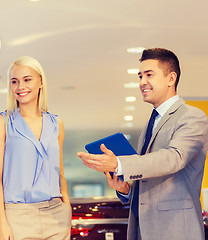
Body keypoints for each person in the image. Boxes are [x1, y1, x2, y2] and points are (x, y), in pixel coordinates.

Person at [77, 48, 208, 240]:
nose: (142, 82)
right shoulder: (150, 124)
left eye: (149, 75)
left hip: (176, 230)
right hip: (142, 230)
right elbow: (150, 180)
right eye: (140, 76)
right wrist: (127, 189)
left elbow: (174, 158)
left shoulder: (193, 117)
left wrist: (119, 164)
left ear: (171, 79)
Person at [0, 56, 71, 240]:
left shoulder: (56, 123)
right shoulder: (2, 122)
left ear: (41, 82)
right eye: (14, 81)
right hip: (18, 217)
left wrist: (67, 208)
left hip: (56, 215)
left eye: (27, 79)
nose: (20, 87)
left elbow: (59, 173)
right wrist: (1, 221)